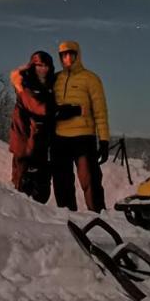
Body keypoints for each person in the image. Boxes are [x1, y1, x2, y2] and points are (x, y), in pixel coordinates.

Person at [8, 51, 79, 203]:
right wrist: (68, 110)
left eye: (46, 66)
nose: (43, 69)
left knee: (42, 189)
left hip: (43, 143)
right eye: (40, 66)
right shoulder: (25, 85)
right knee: (24, 188)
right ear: (33, 66)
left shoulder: (49, 85)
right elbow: (39, 109)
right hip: (26, 142)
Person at [51, 40, 110, 212]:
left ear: (77, 55)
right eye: (63, 55)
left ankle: (98, 215)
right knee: (62, 182)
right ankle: (68, 218)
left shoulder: (91, 79)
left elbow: (100, 111)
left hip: (84, 138)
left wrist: (104, 140)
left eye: (71, 54)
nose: (67, 58)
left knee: (89, 180)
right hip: (59, 137)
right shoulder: (56, 79)